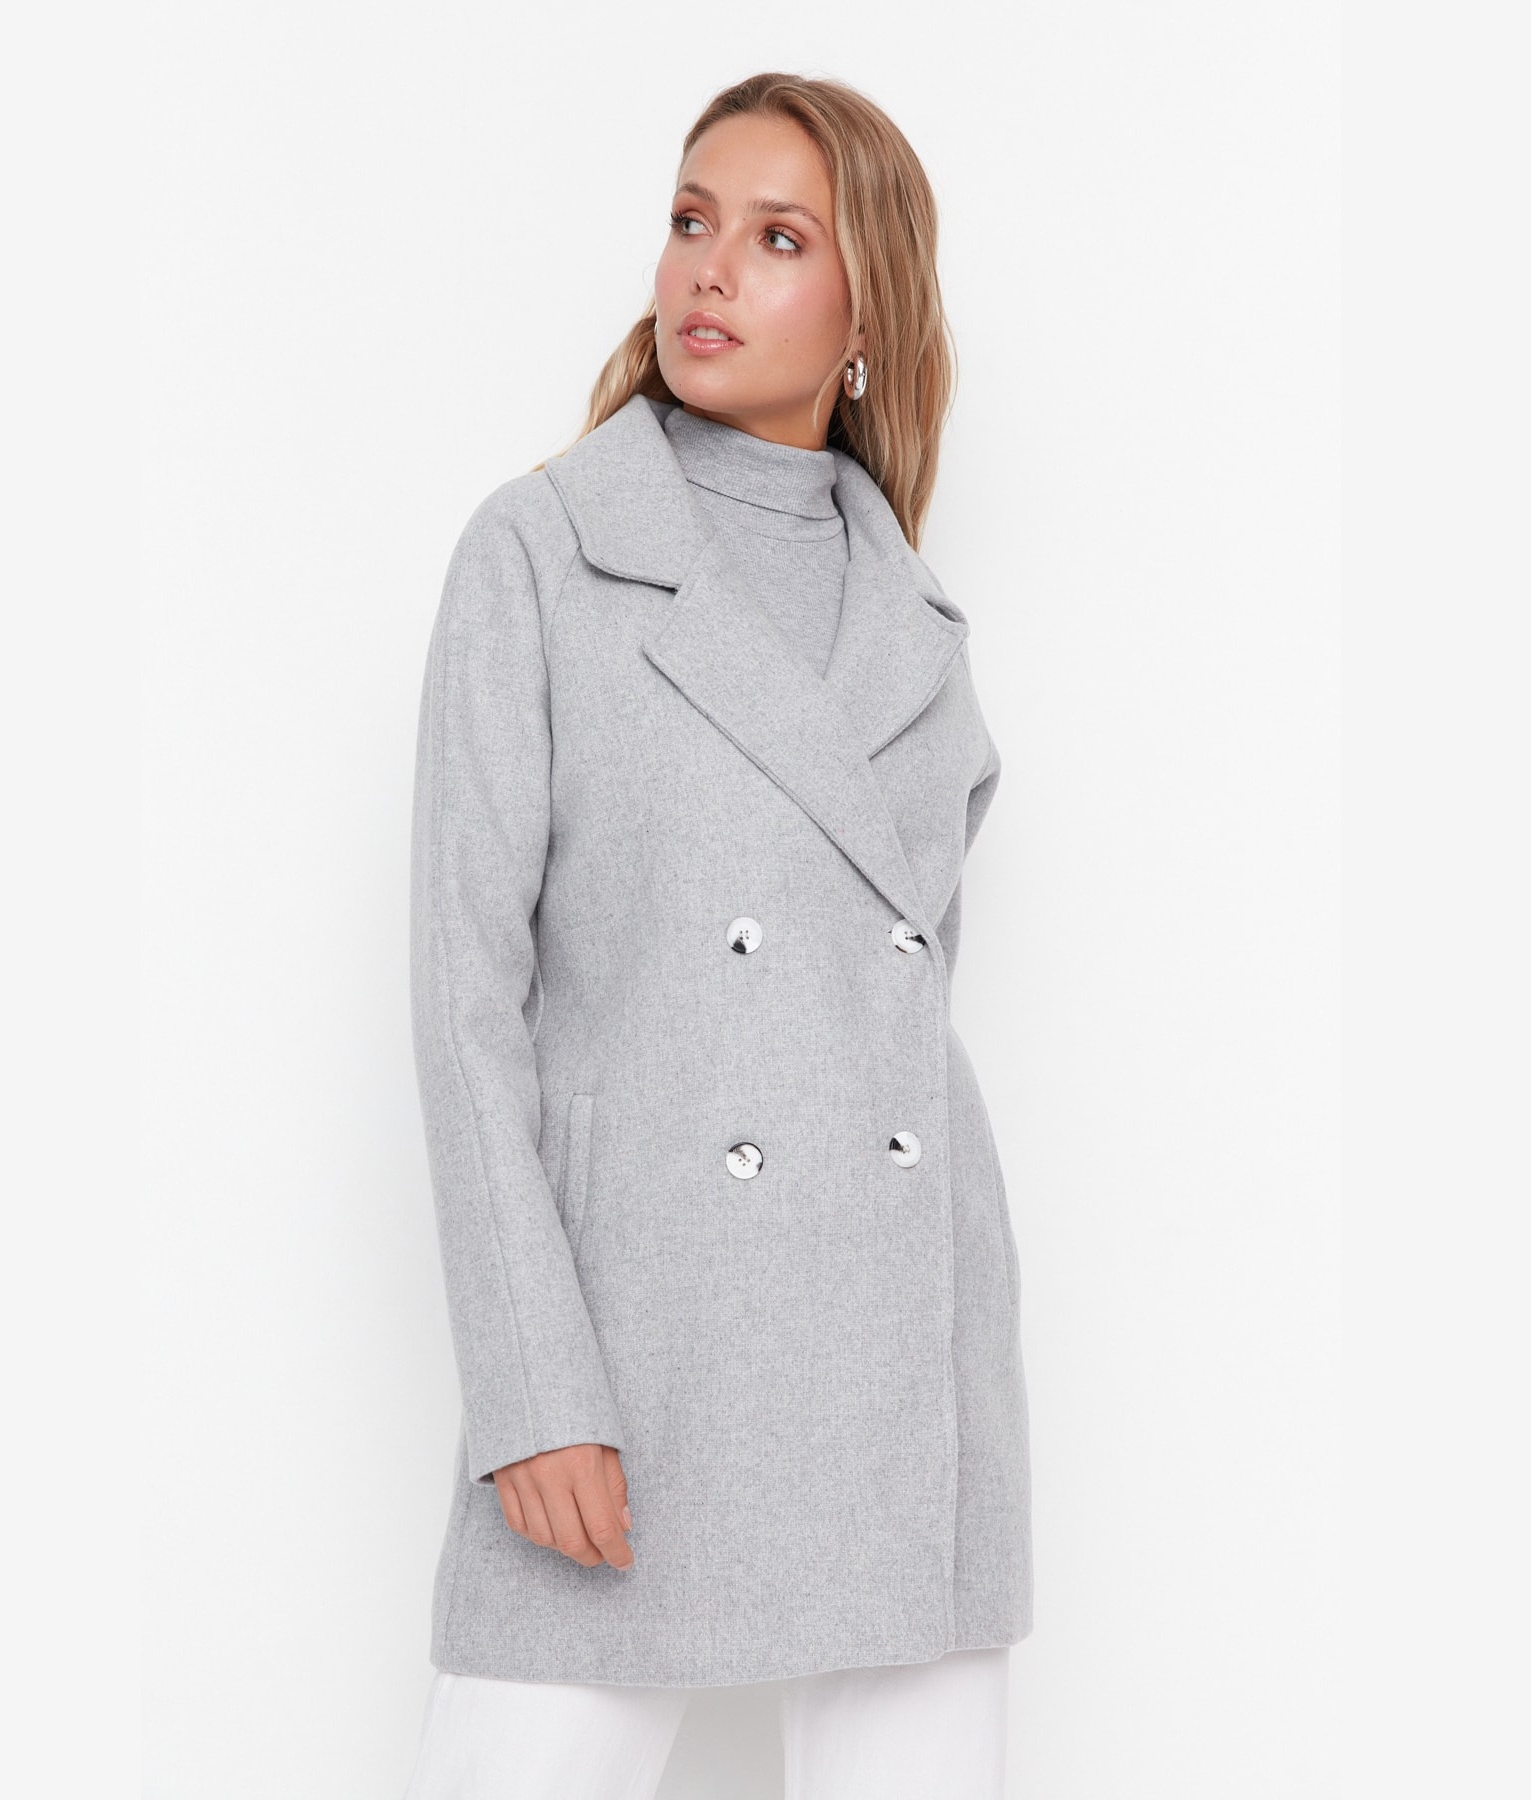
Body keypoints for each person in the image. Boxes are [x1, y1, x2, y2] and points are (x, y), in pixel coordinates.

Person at [404, 71, 1032, 1799]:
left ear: (866, 313)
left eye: (777, 238)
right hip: (637, 1346)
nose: (710, 268)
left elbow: (900, 1012)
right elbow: (465, 1002)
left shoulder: (918, 625)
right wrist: (534, 1387)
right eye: (693, 220)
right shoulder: (543, 553)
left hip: (907, 1361)